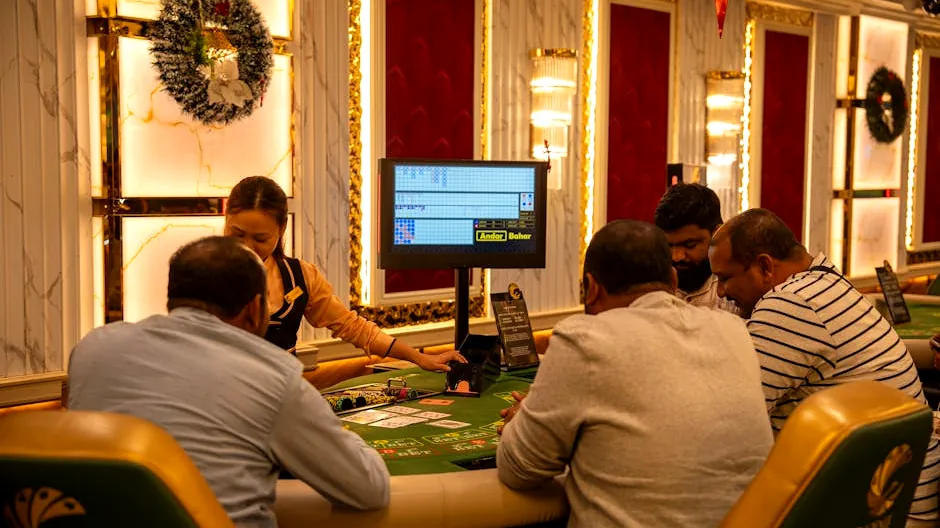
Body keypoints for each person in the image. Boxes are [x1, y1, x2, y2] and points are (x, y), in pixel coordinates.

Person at [68, 237, 390, 527]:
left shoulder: (92, 349)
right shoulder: (274, 377)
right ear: (255, 308)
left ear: (172, 299)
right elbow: (369, 488)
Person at [496, 219, 774, 528]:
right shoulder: (733, 330)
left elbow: (519, 468)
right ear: (672, 281)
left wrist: (520, 421)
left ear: (591, 287)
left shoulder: (584, 340)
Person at [709, 208, 940, 524]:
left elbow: (730, 419)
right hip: (897, 495)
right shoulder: (825, 281)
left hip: (878, 511)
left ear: (764, 266)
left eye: (725, 278)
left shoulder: (791, 303)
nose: (721, 292)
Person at [224, 176, 463, 371]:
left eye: (260, 239)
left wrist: (420, 358)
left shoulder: (300, 276)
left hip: (280, 397)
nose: (247, 247)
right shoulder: (206, 274)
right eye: (238, 234)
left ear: (282, 229)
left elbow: (354, 327)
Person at [653, 183, 737, 312]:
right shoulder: (650, 287)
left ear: (717, 234)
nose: (676, 256)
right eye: (668, 245)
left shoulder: (737, 288)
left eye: (690, 245)